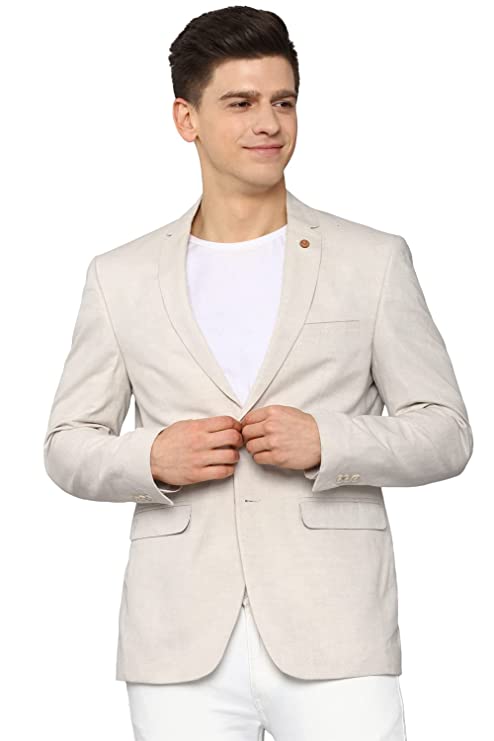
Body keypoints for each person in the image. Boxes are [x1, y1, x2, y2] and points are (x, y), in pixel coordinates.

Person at [43, 6, 473, 740]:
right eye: (240, 103)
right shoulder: (120, 276)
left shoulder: (372, 260)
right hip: (177, 639)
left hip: (337, 630)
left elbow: (446, 432)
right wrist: (151, 457)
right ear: (187, 119)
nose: (269, 123)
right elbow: (66, 443)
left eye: (283, 101)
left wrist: (330, 441)